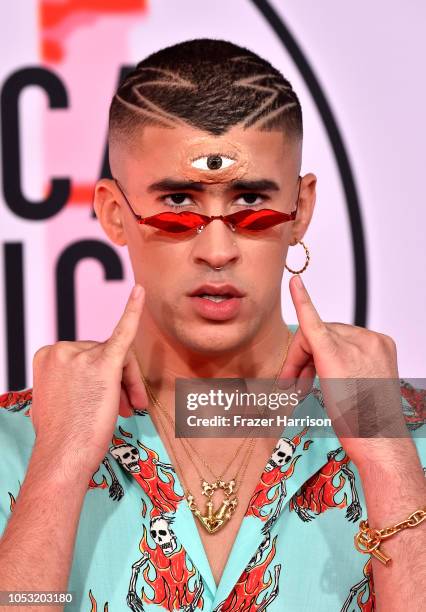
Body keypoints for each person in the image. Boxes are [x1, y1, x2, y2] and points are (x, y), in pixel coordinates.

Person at [0, 38, 424, 612]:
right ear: (113, 213)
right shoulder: (17, 443)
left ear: (301, 209)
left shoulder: (402, 434)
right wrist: (57, 466)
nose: (218, 250)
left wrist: (389, 460)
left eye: (251, 201)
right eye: (179, 202)